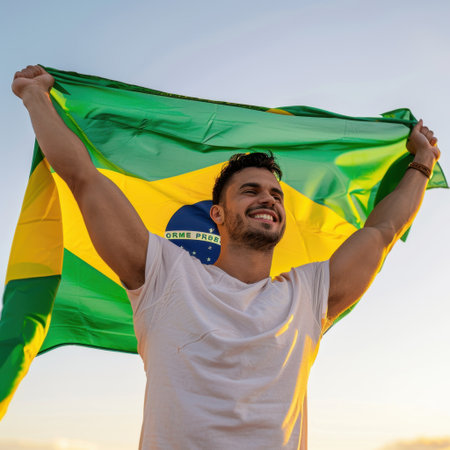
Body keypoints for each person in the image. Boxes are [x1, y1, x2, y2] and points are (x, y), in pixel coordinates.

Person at [12, 65, 440, 449]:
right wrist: (35, 97)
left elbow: (382, 231)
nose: (267, 200)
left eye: (276, 195)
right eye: (250, 191)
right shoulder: (164, 276)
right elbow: (82, 177)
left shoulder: (308, 296)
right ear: (216, 214)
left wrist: (422, 162)